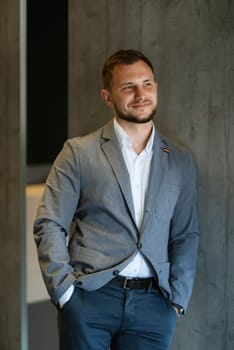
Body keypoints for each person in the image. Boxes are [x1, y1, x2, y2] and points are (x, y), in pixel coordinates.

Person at [34, 49, 200, 350]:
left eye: (147, 84)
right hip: (90, 299)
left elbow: (186, 234)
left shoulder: (180, 160)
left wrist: (177, 300)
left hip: (154, 305)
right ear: (108, 97)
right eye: (128, 87)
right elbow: (49, 222)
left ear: (156, 88)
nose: (141, 94)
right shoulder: (79, 152)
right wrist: (65, 292)